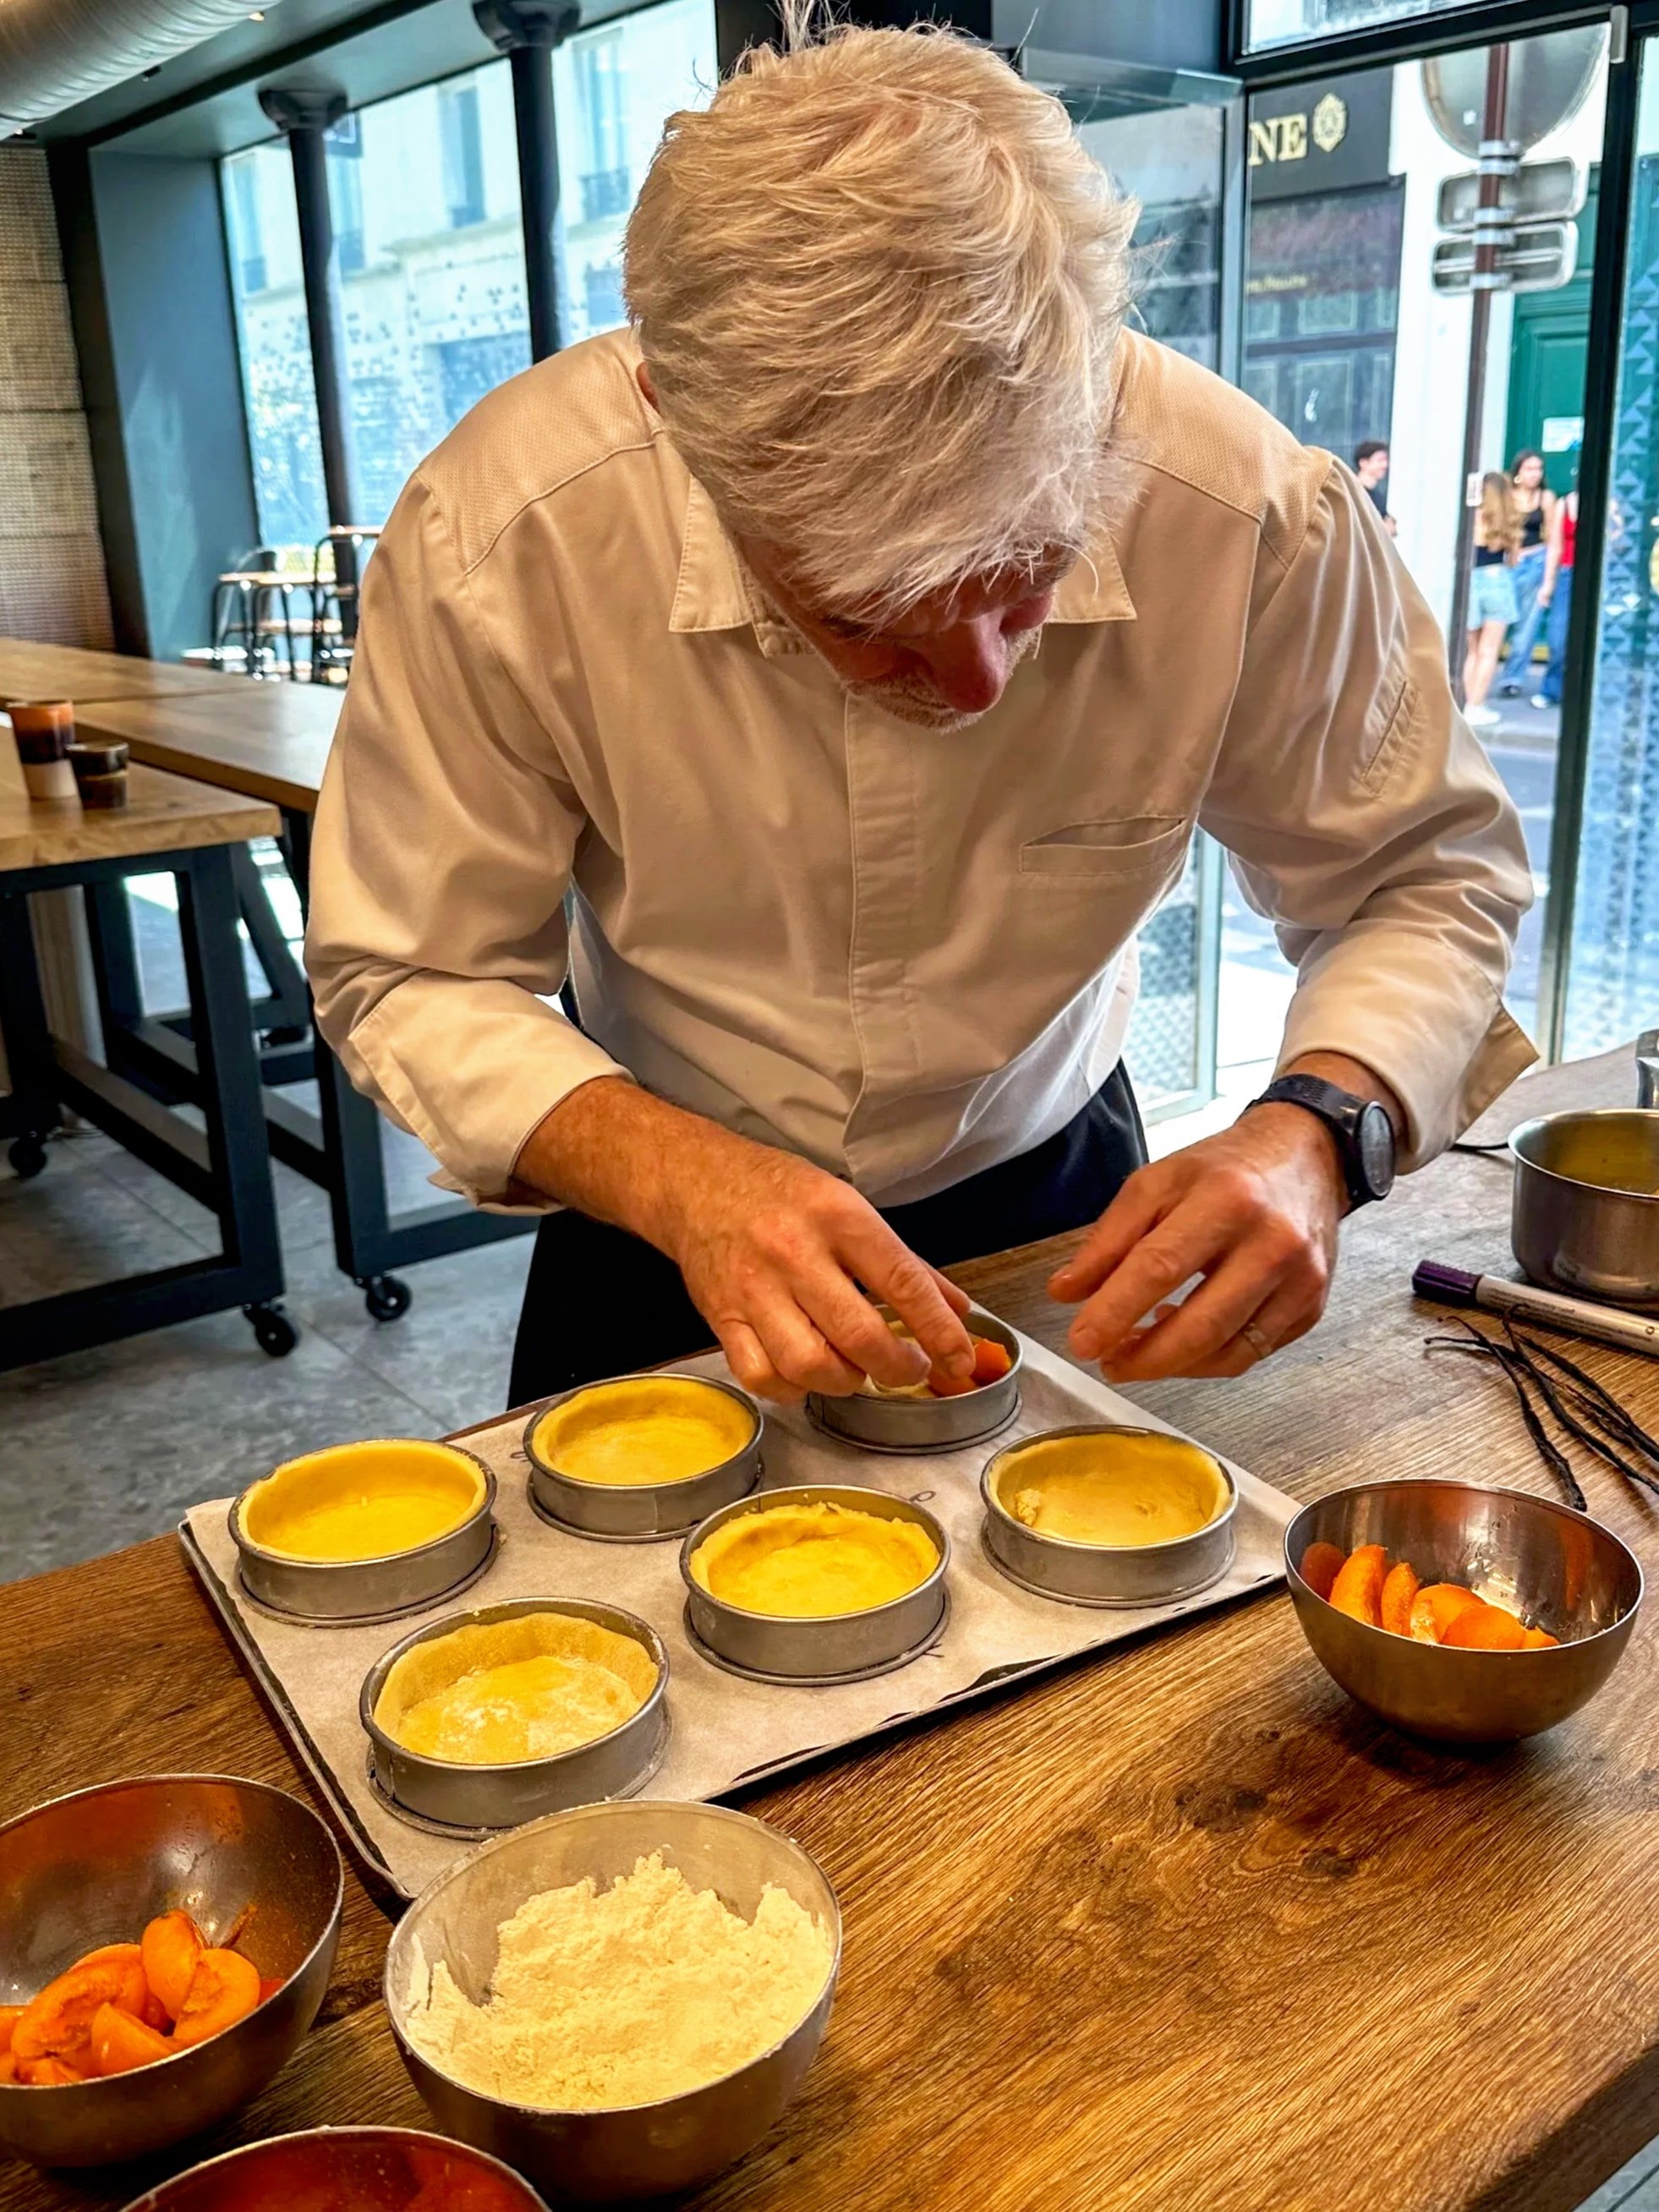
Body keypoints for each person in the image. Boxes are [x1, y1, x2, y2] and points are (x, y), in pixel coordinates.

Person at [306, 19, 1534, 1414]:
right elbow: (411, 970)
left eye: (1025, 592)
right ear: (684, 438)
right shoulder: (509, 530)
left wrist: (1318, 1126)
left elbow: (1421, 875)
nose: (976, 687)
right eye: (864, 623)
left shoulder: (1240, 507)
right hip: (657, 1206)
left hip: (1060, 1201)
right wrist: (669, 1174)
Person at [1462, 472, 1520, 730]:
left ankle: (1467, 705)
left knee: (1473, 651)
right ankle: (1476, 706)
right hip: (1497, 579)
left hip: (1471, 582)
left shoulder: (1472, 518)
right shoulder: (1508, 520)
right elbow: (1514, 560)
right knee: (1489, 651)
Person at [1497, 449, 1555, 696]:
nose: (1535, 474)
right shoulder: (1506, 496)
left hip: (1535, 560)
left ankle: (1512, 679)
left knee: (1527, 624)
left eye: (1538, 469)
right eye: (1530, 469)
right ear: (1518, 472)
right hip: (1506, 561)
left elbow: (1553, 538)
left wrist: (1548, 578)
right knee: (1497, 621)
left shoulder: (1546, 498)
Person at [1534, 487, 1578, 709]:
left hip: (1599, 577)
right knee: (1558, 637)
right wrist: (1548, 583)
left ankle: (1581, 693)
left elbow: (1619, 543)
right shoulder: (1565, 503)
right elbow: (1555, 546)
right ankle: (1551, 689)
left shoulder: (1611, 503)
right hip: (1567, 574)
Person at [1353, 440, 1396, 537]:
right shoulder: (1351, 491)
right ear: (1364, 463)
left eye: (1386, 460)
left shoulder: (1378, 497)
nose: (1385, 465)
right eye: (1380, 460)